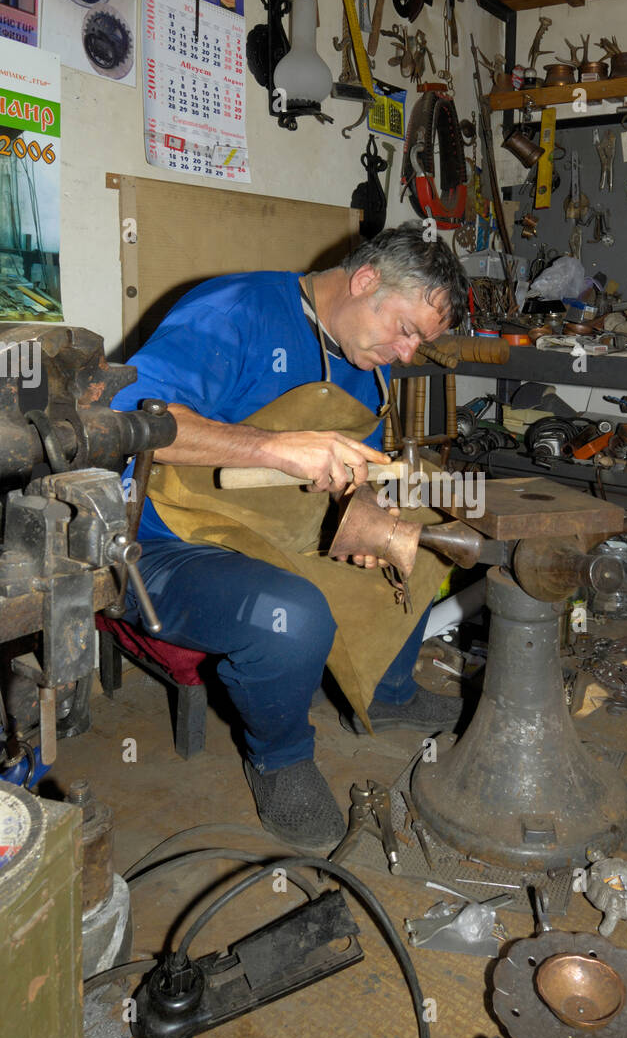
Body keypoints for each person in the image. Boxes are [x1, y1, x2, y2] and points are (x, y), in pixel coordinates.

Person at [110, 225, 470, 850]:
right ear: (365, 282)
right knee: (290, 616)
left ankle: (389, 689)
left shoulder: (365, 361)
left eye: (421, 342)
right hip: (166, 538)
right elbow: (134, 421)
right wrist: (274, 448)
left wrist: (366, 522)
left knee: (434, 517)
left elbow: (356, 475)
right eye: (407, 329)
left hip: (279, 528)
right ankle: (280, 758)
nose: (409, 353)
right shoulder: (237, 310)